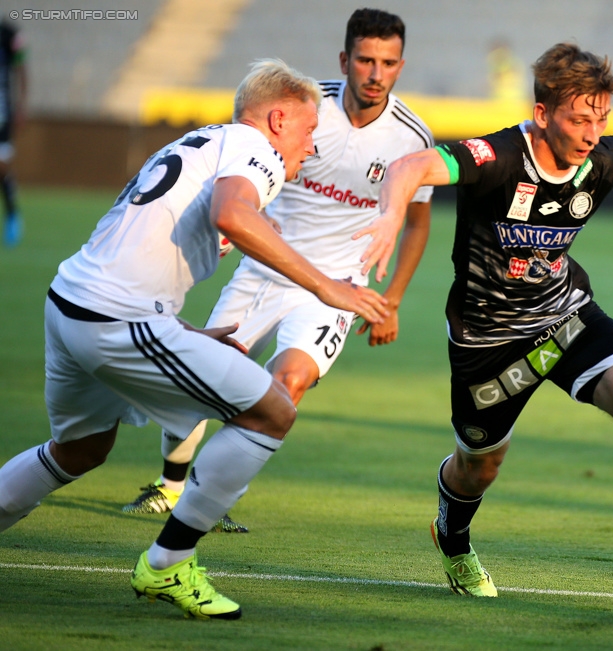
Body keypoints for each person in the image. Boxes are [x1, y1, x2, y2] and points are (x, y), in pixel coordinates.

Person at [357, 43, 613, 604]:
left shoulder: (606, 158)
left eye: (602, 119)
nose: (592, 134)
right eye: (579, 119)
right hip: (488, 342)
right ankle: (453, 537)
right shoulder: (496, 156)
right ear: (543, 114)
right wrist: (392, 213)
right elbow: (410, 166)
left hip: (563, 315)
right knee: (479, 467)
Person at [0, 58, 389, 620]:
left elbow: (129, 248)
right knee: (273, 412)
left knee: (80, 450)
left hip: (72, 305)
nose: (312, 147)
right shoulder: (254, 150)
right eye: (309, 132)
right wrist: (329, 287)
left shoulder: (201, 143)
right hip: (115, 321)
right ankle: (168, 564)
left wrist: (177, 329)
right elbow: (234, 214)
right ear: (278, 119)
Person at [120, 8, 433, 533]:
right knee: (205, 380)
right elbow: (245, 177)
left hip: (334, 291)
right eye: (365, 60)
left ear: (401, 66)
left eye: (388, 62)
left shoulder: (412, 138)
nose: (375, 74)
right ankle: (171, 483)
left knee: (286, 386)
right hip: (263, 271)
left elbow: (417, 223)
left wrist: (392, 300)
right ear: (345, 59)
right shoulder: (304, 110)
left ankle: (207, 497)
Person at [0, 19, 26, 247]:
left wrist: (21, 106)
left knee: (2, 167)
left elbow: (21, 68)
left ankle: (12, 215)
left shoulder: (7, 33)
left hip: (2, 114)